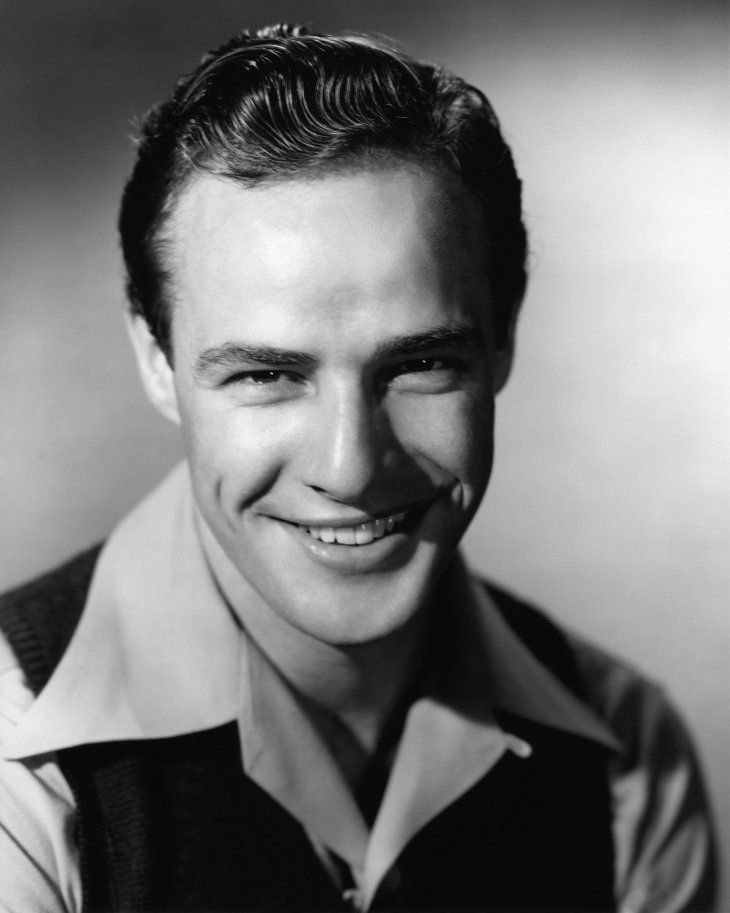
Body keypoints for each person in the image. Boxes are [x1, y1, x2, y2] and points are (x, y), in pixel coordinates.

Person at [0, 23, 717, 913]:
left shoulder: (626, 756)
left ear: (503, 338)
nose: (350, 466)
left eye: (420, 364)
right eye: (266, 373)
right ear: (155, 358)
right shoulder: (15, 770)